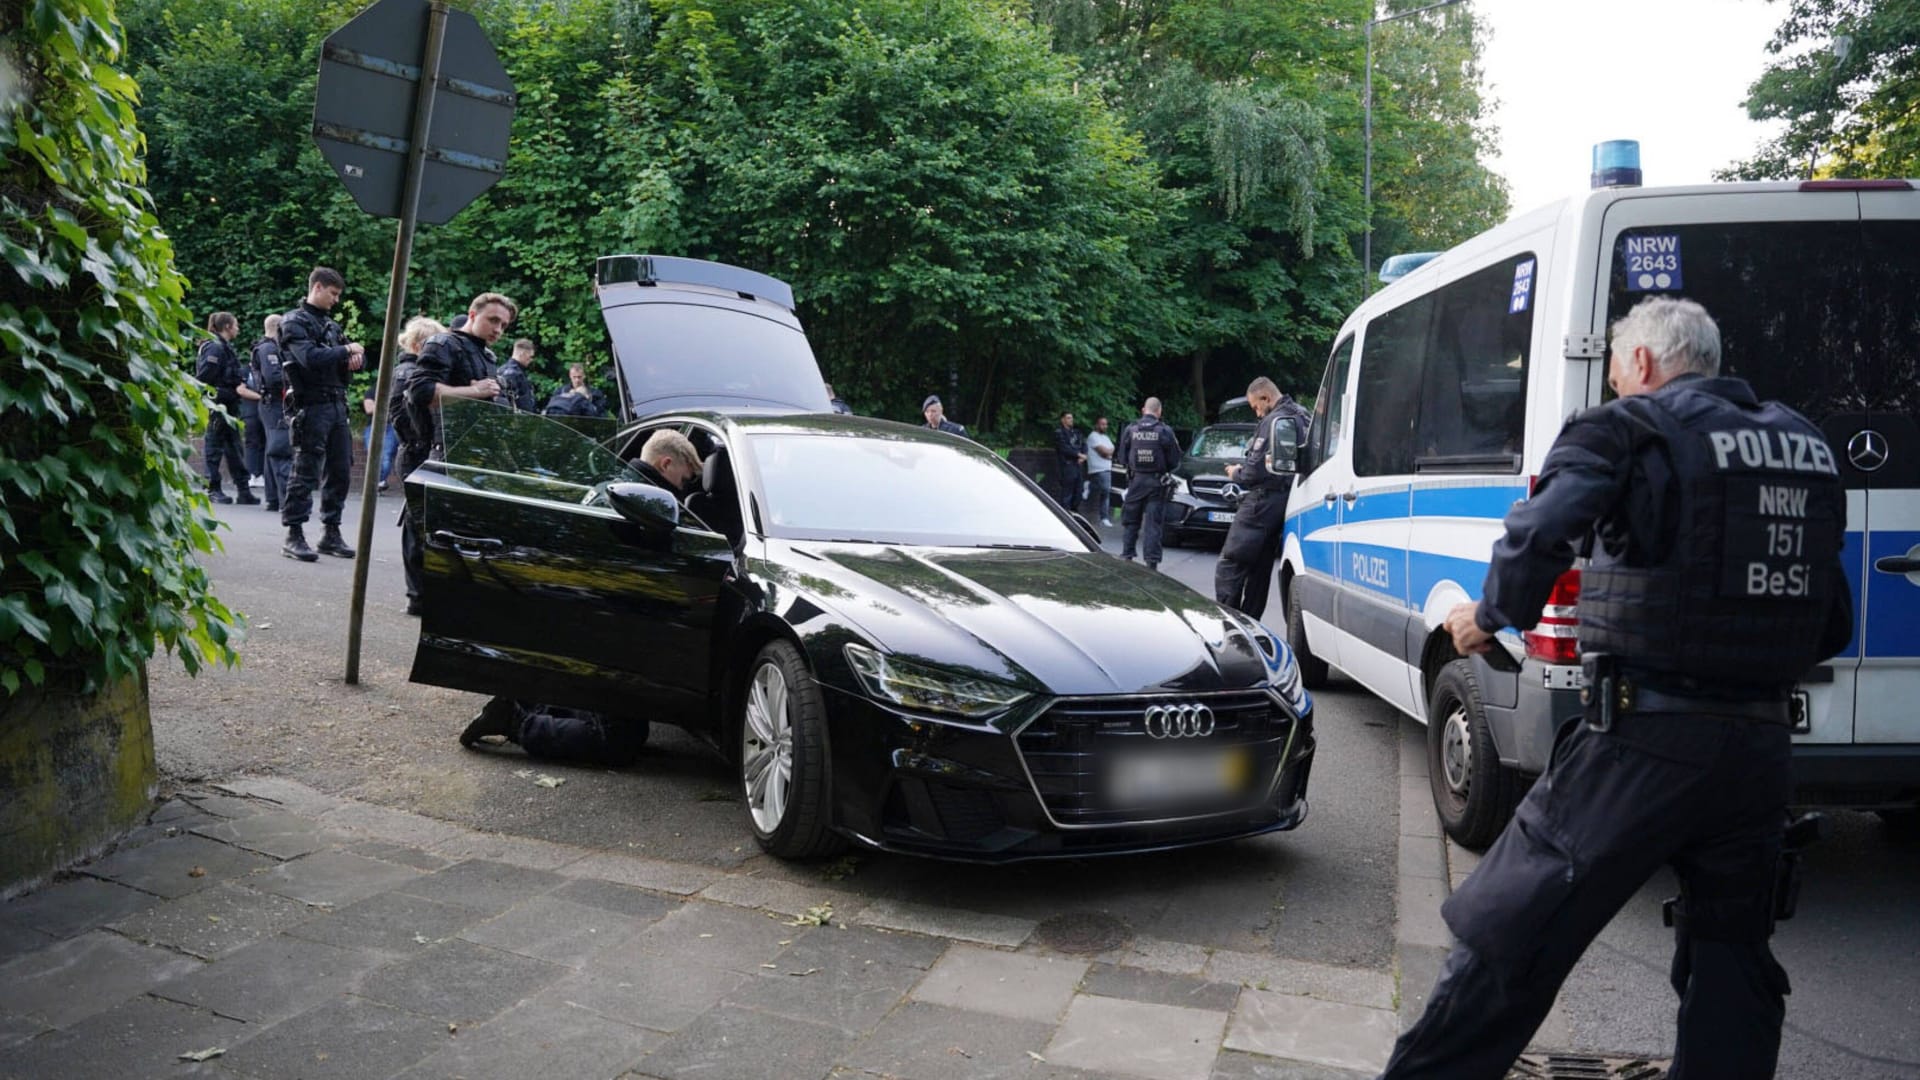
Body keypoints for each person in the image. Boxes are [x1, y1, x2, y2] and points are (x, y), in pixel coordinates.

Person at [1379, 297, 1852, 1080]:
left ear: (1638, 363)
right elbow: (1830, 619)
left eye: (1614, 370)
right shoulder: (1801, 446)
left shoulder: (1627, 427)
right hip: (1760, 751)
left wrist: (1489, 614)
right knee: (1731, 960)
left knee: (1512, 932)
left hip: (1643, 739)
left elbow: (1545, 523)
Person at [454, 429, 701, 762]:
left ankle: (526, 702)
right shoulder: (643, 501)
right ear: (665, 462)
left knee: (620, 726)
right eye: (683, 481)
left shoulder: (614, 485)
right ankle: (517, 720)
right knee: (617, 738)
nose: (683, 492)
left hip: (590, 626)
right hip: (605, 633)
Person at [399, 293, 511, 614]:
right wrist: (473, 392)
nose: (499, 328)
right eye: (493, 320)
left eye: (503, 324)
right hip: (441, 451)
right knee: (423, 527)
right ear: (472, 314)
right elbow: (419, 391)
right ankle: (420, 597)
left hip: (475, 453)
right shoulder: (443, 344)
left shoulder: (486, 355)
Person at [278, 267, 366, 561]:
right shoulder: (294, 322)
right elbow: (310, 359)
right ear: (317, 287)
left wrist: (355, 360)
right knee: (305, 470)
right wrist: (346, 351)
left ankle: (331, 532)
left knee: (340, 470)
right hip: (312, 405)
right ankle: (294, 534)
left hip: (336, 404)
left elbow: (343, 358)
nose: (336, 300)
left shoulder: (330, 326)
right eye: (333, 294)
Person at [1214, 377, 1310, 620]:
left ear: (1266, 397)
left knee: (1230, 563)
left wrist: (1236, 472)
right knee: (1260, 568)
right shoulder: (1302, 415)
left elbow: (1254, 470)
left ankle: (1230, 622)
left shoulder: (1274, 421)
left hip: (1263, 501)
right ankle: (1251, 623)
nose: (1257, 413)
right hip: (1286, 500)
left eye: (1256, 406)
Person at [384, 315, 445, 615]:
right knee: (417, 527)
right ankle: (417, 595)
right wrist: (424, 440)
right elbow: (403, 418)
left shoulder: (410, 371)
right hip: (415, 455)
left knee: (421, 526)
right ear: (421, 345)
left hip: (419, 452)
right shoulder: (407, 373)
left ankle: (421, 593)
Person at [194, 312, 259, 505]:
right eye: (236, 325)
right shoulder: (215, 347)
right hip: (218, 404)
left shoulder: (223, 347)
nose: (238, 328)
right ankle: (212, 490)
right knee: (213, 447)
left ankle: (243, 490)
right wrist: (212, 397)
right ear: (228, 326)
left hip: (228, 405)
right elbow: (205, 377)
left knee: (234, 447)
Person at [1116, 397, 1180, 569]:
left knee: (1131, 522)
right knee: (1153, 525)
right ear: (1159, 411)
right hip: (1156, 483)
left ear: (1144, 410)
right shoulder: (1165, 431)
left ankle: (1126, 558)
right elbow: (1174, 460)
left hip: (1135, 482)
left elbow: (1122, 458)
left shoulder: (1131, 429)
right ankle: (1151, 565)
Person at [250, 314, 293, 513]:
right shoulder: (269, 349)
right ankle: (286, 500)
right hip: (275, 404)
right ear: (279, 327)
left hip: (270, 404)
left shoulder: (268, 348)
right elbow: (274, 378)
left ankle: (274, 498)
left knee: (272, 449)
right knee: (280, 448)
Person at [361, 385, 400, 492]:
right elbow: (369, 409)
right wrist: (389, 407)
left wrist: (378, 406)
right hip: (373, 426)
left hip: (390, 427)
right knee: (373, 455)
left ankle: (377, 482)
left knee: (386, 456)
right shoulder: (372, 391)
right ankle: (378, 482)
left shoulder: (396, 390)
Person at [1084, 415, 1115, 524]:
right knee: (1105, 491)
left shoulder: (1106, 438)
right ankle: (1104, 517)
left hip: (1107, 467)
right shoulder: (1093, 436)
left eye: (1106, 424)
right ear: (1097, 425)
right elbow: (1105, 452)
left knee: (1104, 492)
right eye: (1102, 424)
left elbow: (1112, 449)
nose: (1104, 426)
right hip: (1098, 468)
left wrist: (1107, 453)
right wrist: (1107, 453)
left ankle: (1089, 485)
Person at [1052, 410, 1086, 512]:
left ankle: (1074, 514)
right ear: (1062, 420)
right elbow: (1064, 448)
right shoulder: (1059, 433)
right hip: (1067, 466)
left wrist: (1084, 455)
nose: (1071, 420)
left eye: (1071, 418)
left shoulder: (1076, 432)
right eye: (1068, 418)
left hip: (1078, 466)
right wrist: (1078, 454)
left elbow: (1084, 444)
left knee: (1079, 492)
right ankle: (1065, 515)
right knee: (1067, 494)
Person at [497, 337, 538, 413]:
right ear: (522, 354)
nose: (531, 360)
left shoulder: (503, 370)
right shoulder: (514, 374)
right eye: (530, 357)